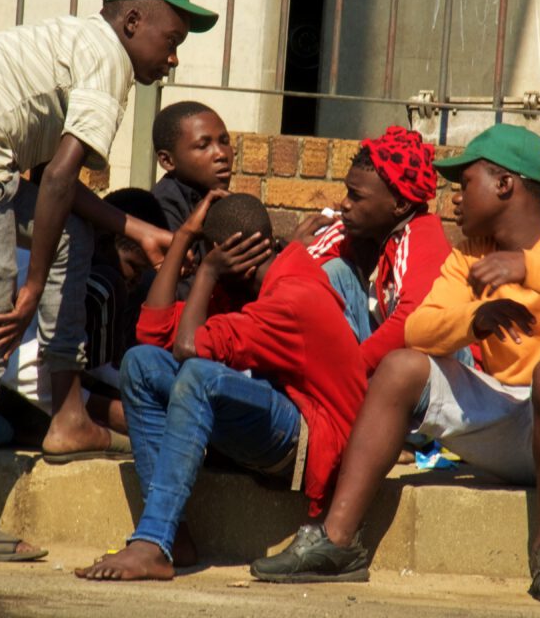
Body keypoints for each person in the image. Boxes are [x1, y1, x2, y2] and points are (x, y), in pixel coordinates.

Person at [0, 0, 218, 561]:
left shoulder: (75, 42)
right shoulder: (107, 61)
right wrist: (31, 285)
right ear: (134, 21)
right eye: (172, 40)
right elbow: (61, 178)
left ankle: (65, 416)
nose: (173, 59)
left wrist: (138, 229)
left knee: (69, 236)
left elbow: (50, 188)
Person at [251, 124, 540, 605]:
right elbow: (420, 329)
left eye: (465, 185)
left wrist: (529, 267)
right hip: (518, 423)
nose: (454, 201)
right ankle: (337, 542)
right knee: (401, 366)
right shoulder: (469, 256)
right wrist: (474, 320)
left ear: (505, 184)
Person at [74, 193, 367, 581]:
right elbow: (152, 335)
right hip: (273, 420)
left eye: (204, 253)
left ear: (221, 254)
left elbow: (187, 347)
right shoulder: (244, 290)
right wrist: (181, 238)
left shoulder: (292, 297)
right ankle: (170, 537)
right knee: (141, 365)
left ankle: (151, 542)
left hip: (312, 444)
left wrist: (207, 272)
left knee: (199, 373)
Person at [0, 188, 167, 456]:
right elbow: (25, 372)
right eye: (134, 266)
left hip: (14, 385)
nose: (134, 281)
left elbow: (88, 367)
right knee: (124, 439)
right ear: (102, 244)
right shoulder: (72, 267)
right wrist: (113, 412)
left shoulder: (86, 274)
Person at [302, 126, 451, 372]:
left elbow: (411, 320)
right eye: (348, 192)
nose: (345, 204)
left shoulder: (424, 236)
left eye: (356, 196)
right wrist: (293, 252)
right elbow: (303, 271)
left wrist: (351, 372)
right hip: (389, 356)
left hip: (441, 367)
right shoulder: (359, 228)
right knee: (333, 273)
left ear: (401, 205)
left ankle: (340, 387)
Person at [151, 100, 234, 298]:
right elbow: (178, 292)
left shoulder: (218, 199)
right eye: (203, 146)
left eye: (224, 141)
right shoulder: (162, 208)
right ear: (167, 161)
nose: (221, 154)